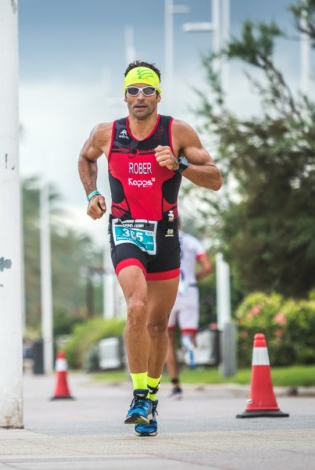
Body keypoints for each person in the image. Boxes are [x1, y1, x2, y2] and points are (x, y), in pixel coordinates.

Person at [77, 60, 222, 437]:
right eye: (133, 90)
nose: (139, 97)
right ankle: (140, 393)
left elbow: (216, 179)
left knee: (159, 325)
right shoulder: (106, 133)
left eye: (147, 90)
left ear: (159, 94)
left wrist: (180, 165)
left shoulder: (177, 131)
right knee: (136, 305)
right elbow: (85, 158)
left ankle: (152, 399)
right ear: (124, 95)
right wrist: (92, 193)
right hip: (126, 230)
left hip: (166, 235)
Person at [166, 220, 213, 399]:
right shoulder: (193, 242)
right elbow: (208, 267)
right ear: (181, 223)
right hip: (189, 289)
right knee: (189, 333)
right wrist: (194, 277)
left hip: (168, 288)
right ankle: (188, 348)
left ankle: (175, 385)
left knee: (167, 339)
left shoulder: (161, 239)